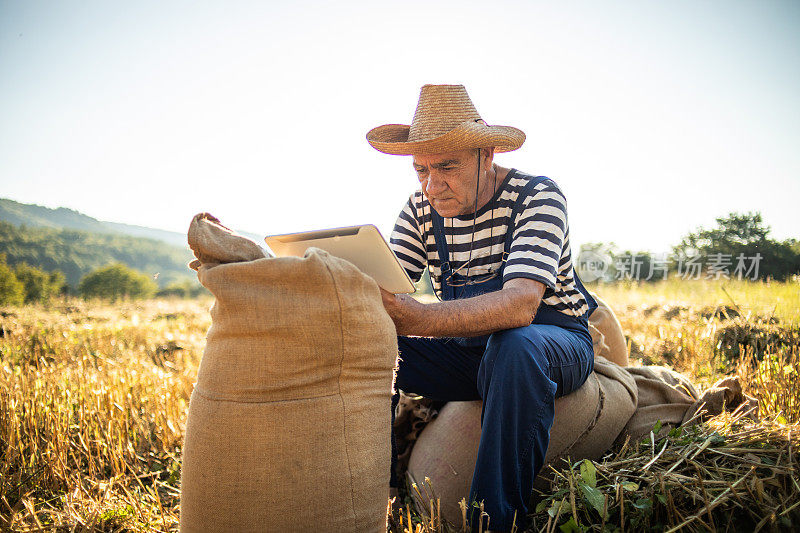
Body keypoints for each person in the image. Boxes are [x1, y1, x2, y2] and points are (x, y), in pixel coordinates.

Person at [367, 84, 598, 532]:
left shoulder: (537, 196)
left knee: (514, 346)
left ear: (487, 153)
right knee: (370, 342)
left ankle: (495, 520)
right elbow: (391, 283)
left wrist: (416, 317)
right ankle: (379, 492)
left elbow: (521, 306)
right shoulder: (420, 207)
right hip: (470, 352)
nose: (433, 185)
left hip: (552, 343)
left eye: (447, 166)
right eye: (421, 170)